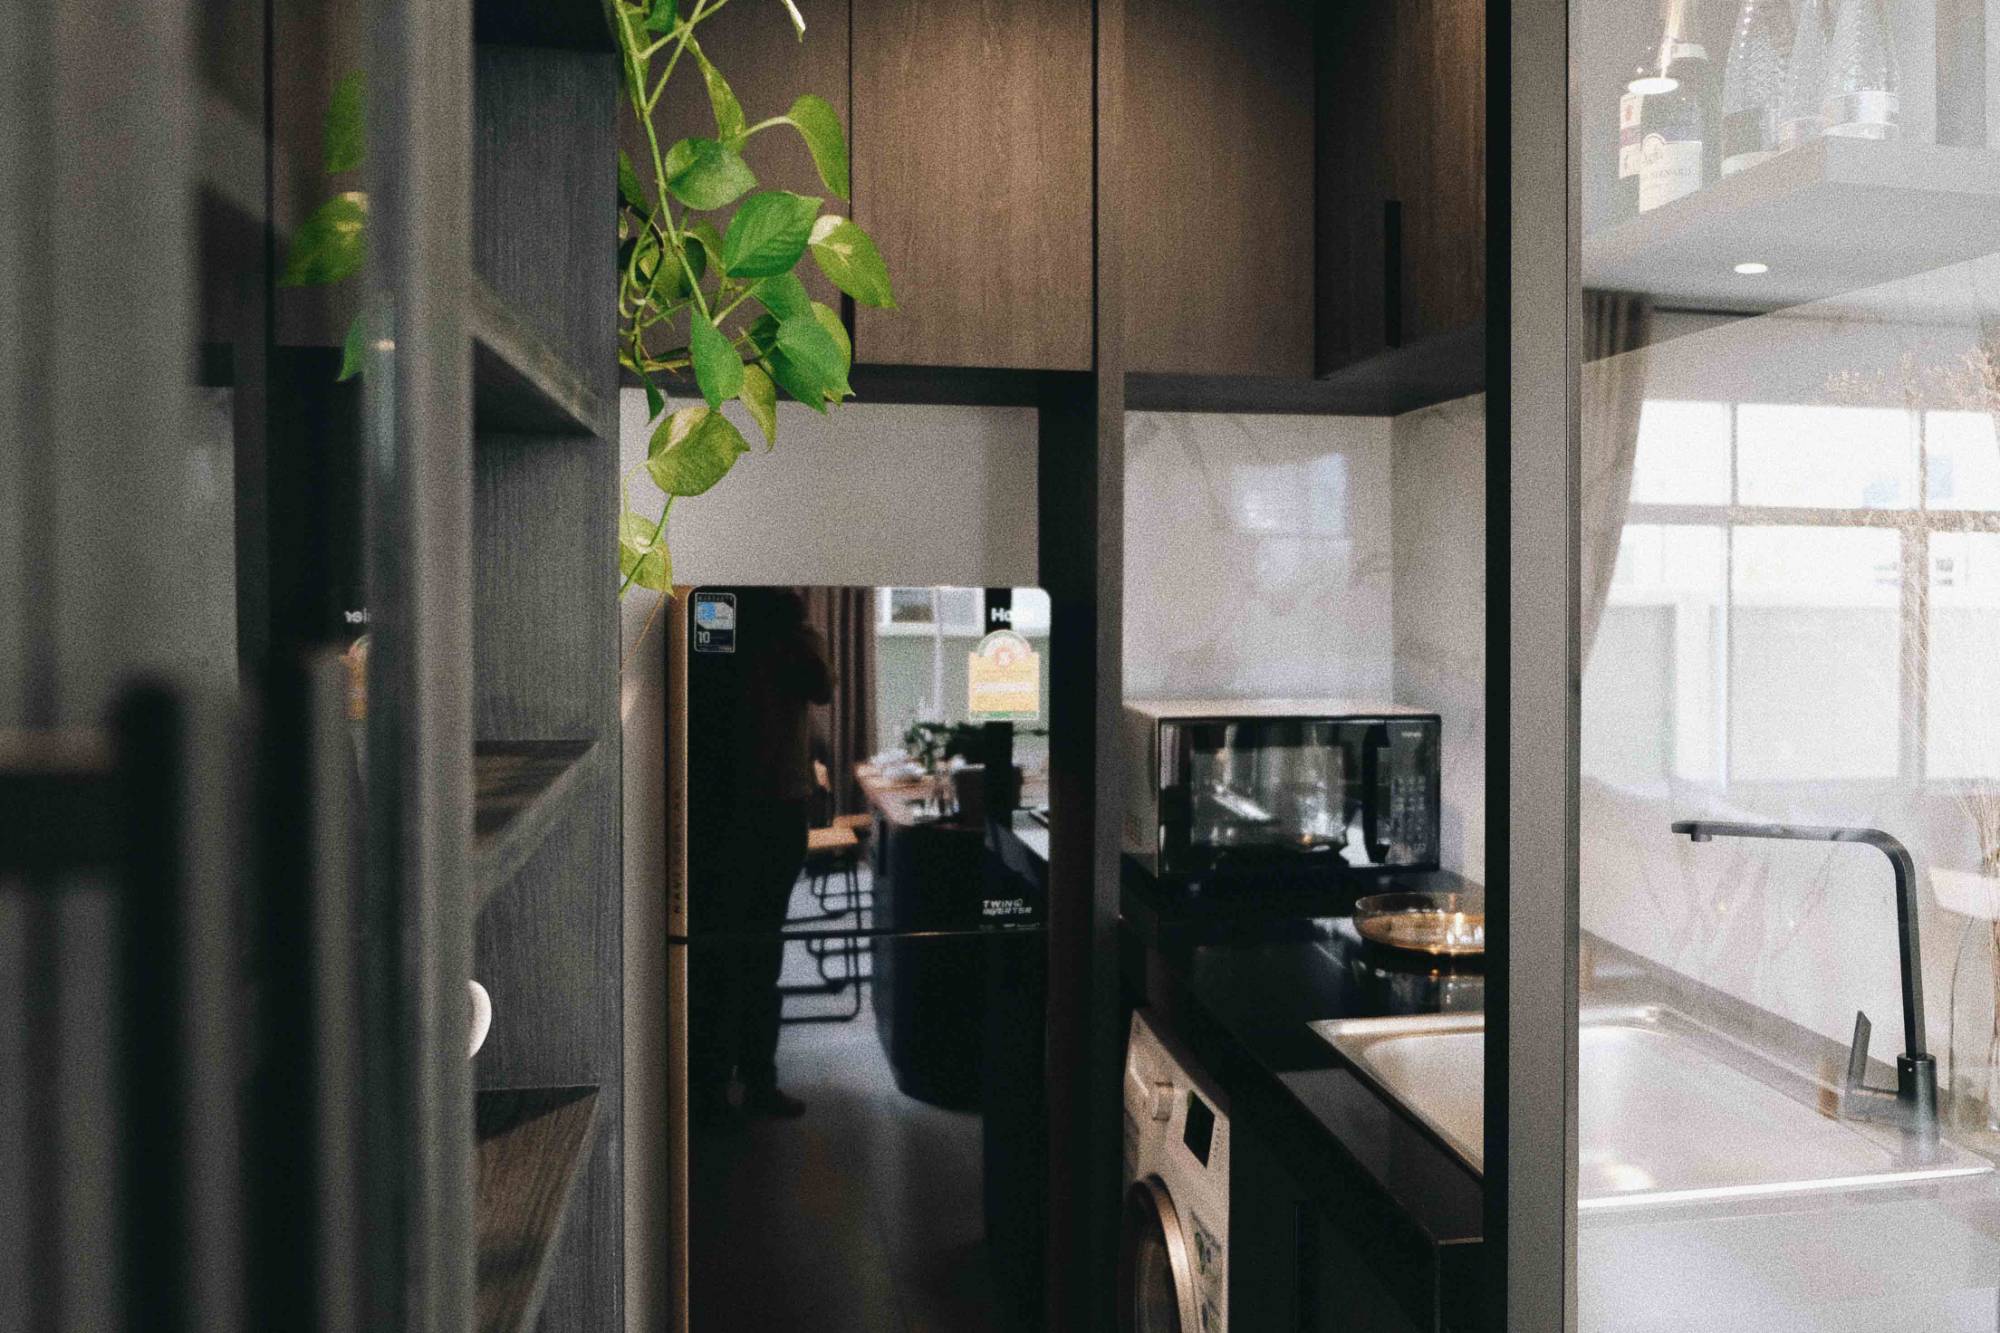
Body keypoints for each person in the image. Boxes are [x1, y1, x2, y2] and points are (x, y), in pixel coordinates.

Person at [717, 589, 831, 1120]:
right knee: (734, 953)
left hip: (773, 806)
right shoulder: (723, 628)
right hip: (734, 806)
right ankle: (724, 1083)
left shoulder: (792, 639)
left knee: (758, 950)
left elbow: (821, 686)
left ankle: (753, 1081)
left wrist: (790, 633)